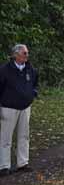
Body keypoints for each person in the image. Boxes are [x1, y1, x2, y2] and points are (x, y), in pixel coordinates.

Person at [0, 44, 39, 176]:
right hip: (9, 108)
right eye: (24, 53)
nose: (27, 56)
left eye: (27, 53)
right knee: (6, 137)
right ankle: (4, 166)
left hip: (25, 107)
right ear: (15, 55)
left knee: (24, 135)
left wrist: (33, 93)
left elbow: (34, 82)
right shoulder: (5, 70)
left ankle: (23, 163)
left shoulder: (30, 69)